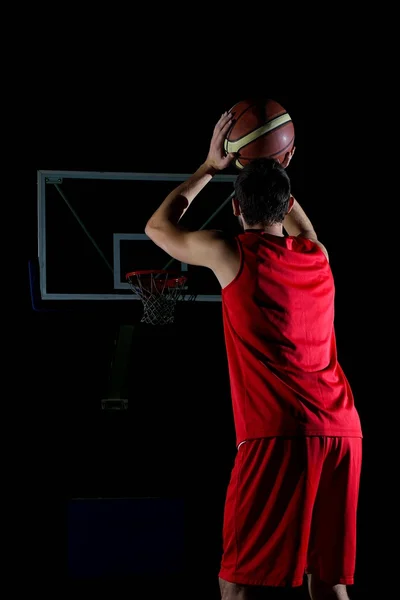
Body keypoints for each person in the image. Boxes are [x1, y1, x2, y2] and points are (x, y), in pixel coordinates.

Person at [145, 111, 363, 599]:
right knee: (330, 585)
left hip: (278, 433)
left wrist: (209, 166)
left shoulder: (232, 251)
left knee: (237, 584)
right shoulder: (317, 254)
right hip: (344, 432)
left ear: (236, 212)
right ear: (287, 203)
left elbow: (159, 228)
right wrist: (275, 160)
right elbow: (295, 216)